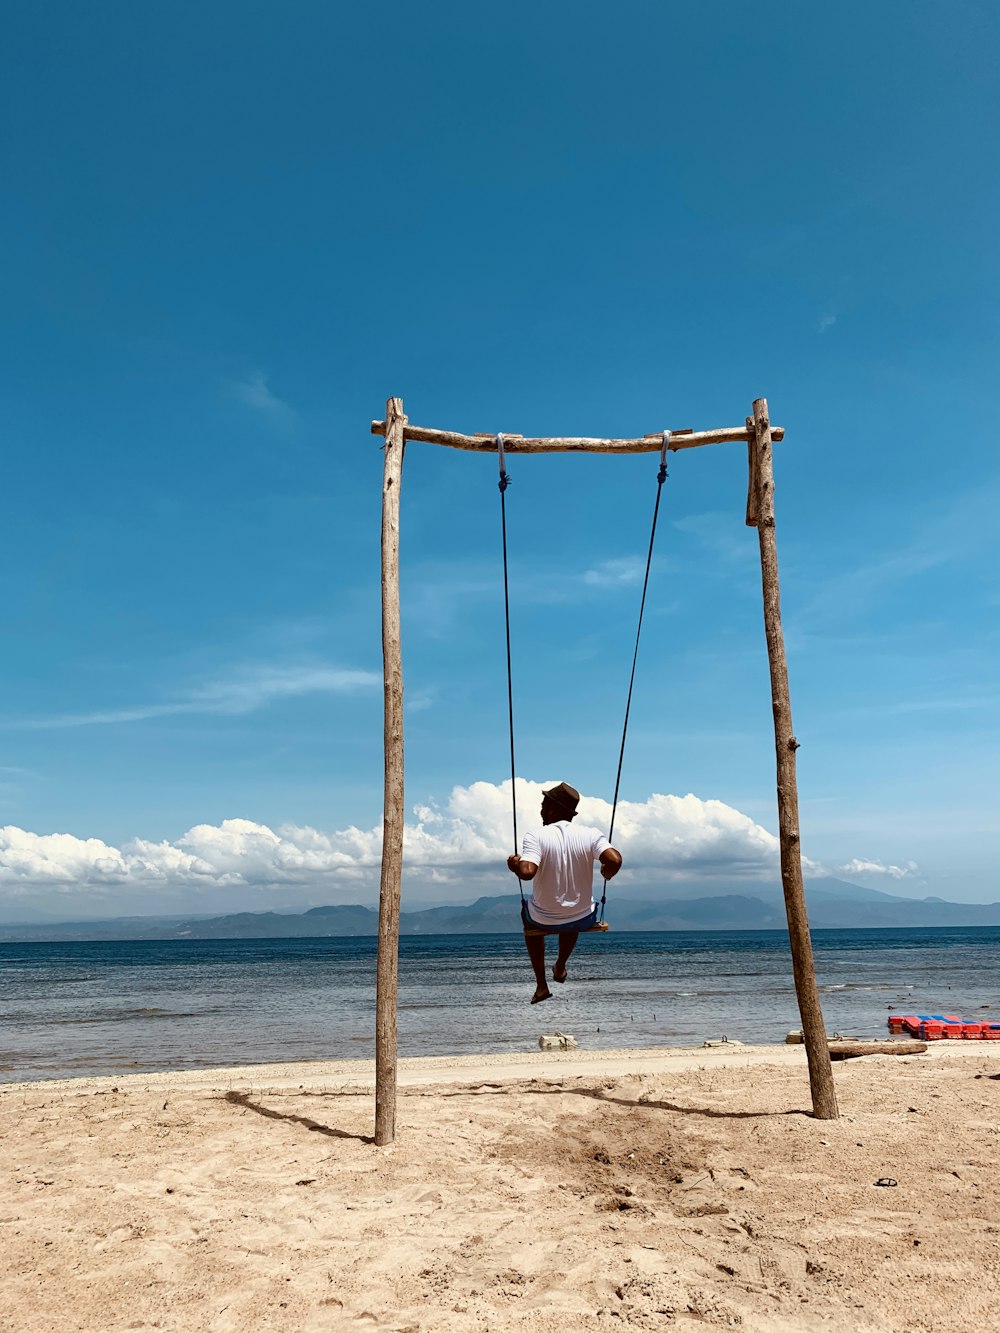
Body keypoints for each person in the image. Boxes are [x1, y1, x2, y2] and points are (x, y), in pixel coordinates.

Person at [506, 782, 622, 1004]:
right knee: (575, 912)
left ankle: (541, 985)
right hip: (582, 917)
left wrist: (514, 864)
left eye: (543, 804)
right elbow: (614, 860)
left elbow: (527, 872)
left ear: (552, 808)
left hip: (542, 919)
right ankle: (560, 966)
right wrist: (607, 872)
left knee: (528, 918)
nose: (541, 810)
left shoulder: (536, 836)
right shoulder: (590, 834)